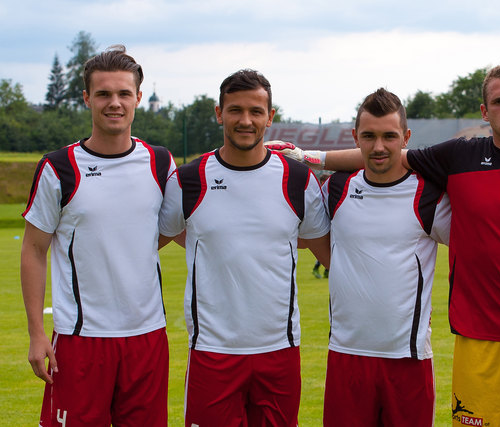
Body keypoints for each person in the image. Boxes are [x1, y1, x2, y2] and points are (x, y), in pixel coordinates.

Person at [268, 62, 500, 426]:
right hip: (477, 341)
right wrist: (311, 158)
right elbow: (384, 156)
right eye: (499, 101)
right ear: (485, 112)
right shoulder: (459, 158)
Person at [158, 69, 330, 426]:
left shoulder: (297, 180)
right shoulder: (189, 180)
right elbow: (162, 235)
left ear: (271, 116)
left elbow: (323, 249)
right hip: (212, 351)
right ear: (219, 113)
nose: (245, 120)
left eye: (256, 111)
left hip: (279, 350)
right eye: (235, 110)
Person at [20, 45, 176, 426]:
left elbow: (176, 231)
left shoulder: (159, 162)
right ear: (87, 98)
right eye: (104, 94)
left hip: (148, 336)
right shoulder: (59, 167)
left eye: (124, 93)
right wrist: (37, 334)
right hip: (79, 337)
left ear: (138, 98)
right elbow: (34, 250)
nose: (115, 103)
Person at [321, 88, 450, 426]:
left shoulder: (429, 194)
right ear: (355, 138)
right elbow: (300, 235)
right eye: (369, 136)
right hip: (346, 355)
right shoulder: (336, 188)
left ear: (405, 137)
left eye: (389, 136)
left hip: (408, 358)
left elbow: (481, 245)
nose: (379, 147)